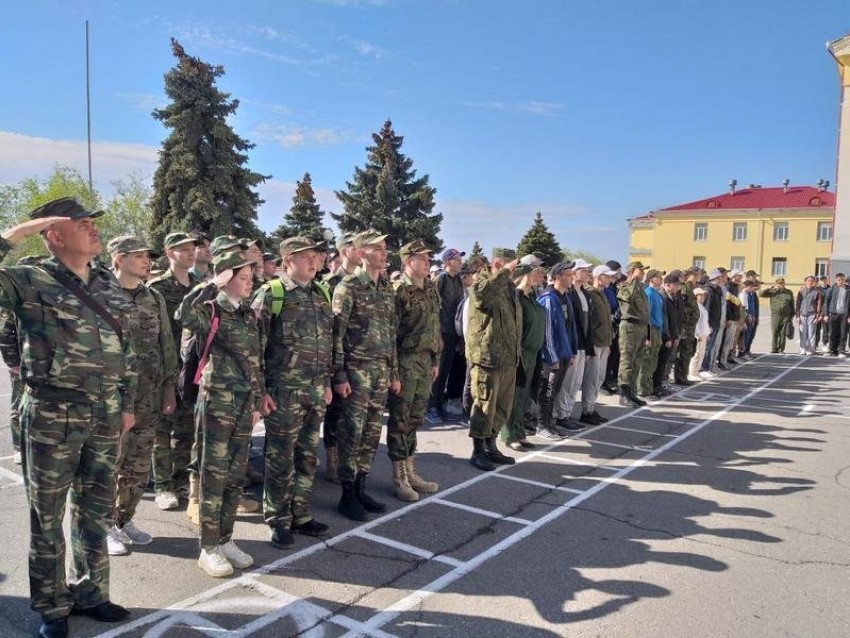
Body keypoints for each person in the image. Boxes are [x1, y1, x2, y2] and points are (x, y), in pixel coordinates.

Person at [0, 197, 137, 638]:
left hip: (104, 414)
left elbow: (126, 351)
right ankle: (52, 607)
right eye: (80, 224)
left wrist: (127, 405)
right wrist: (19, 232)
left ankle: (92, 593)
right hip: (50, 414)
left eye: (92, 222)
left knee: (94, 512)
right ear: (55, 235)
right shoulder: (29, 280)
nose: (93, 229)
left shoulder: (107, 284)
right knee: (48, 518)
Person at [182, 251, 263, 578]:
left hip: (244, 403)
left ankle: (226, 538)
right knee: (213, 475)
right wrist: (211, 284)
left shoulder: (246, 314)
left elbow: (255, 360)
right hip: (216, 401)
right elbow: (182, 313)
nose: (251, 283)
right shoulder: (210, 309)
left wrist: (257, 400)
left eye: (251, 278)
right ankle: (208, 547)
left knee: (234, 475)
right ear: (228, 279)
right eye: (244, 278)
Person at [252, 237, 334, 549]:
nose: (313, 261)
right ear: (288, 260)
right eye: (305, 257)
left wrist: (326, 382)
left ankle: (300, 513)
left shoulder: (321, 293)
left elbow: (325, 344)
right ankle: (278, 519)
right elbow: (255, 348)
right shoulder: (272, 294)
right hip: (283, 392)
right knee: (280, 458)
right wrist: (260, 391)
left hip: (314, 392)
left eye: (315, 256)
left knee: (308, 456)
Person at [106, 237, 177, 557]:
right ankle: (104, 527)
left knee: (137, 466)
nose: (148, 261)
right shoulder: (101, 294)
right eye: (139, 256)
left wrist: (168, 386)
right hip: (112, 396)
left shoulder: (153, 296)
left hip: (148, 394)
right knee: (109, 464)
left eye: (148, 256)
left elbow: (166, 344)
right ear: (119, 259)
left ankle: (123, 521)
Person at [331, 230, 399, 520]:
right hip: (356, 372)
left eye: (384, 248)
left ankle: (361, 487)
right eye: (377, 248)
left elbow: (391, 333)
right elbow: (336, 336)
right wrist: (339, 376)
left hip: (380, 371)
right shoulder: (348, 287)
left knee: (371, 432)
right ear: (361, 253)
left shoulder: (385, 287)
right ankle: (347, 493)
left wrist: (394, 372)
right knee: (351, 432)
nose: (384, 252)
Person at [148, 231, 200, 511]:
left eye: (193, 248)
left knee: (186, 430)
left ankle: (181, 480)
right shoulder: (156, 288)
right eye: (183, 249)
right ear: (169, 253)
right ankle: (163, 486)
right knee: (162, 430)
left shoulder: (200, 285)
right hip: (167, 369)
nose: (191, 252)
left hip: (191, 370)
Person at [387, 241, 442, 500]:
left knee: (415, 417)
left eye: (428, 258)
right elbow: (391, 335)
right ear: (408, 261)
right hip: (405, 362)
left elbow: (435, 325)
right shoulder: (399, 290)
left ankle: (411, 471)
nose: (427, 262)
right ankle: (399, 477)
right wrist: (394, 372)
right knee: (400, 419)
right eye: (422, 258)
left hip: (424, 361)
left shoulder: (430, 287)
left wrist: (435, 360)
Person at [465, 248, 521, 471]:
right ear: (498, 265)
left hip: (507, 357)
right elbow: (481, 297)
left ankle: (491, 446)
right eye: (511, 267)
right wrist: (503, 274)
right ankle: (477, 451)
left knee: (501, 408)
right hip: (487, 358)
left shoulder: (507, 287)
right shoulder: (483, 282)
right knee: (484, 406)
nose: (513, 272)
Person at [321, 232, 362, 484]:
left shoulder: (362, 281)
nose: (361, 252)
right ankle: (332, 460)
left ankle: (349, 460)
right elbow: (330, 329)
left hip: (360, 361)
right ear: (345, 251)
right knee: (335, 413)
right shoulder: (330, 283)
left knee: (353, 416)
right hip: (338, 359)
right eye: (356, 247)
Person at [502, 263, 546, 450]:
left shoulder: (531, 296)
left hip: (533, 352)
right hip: (520, 352)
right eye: (532, 272)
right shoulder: (517, 296)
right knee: (514, 395)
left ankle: (519, 431)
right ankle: (509, 434)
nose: (537, 275)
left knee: (524, 396)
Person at [536, 262, 576, 440]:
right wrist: (552, 357)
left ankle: (550, 424)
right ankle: (542, 426)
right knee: (547, 391)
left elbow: (570, 327)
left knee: (555, 391)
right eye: (568, 274)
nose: (571, 277)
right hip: (551, 357)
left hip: (564, 354)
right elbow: (547, 332)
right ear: (558, 277)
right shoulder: (548, 298)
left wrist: (571, 352)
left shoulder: (565, 297)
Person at [428, 247, 465, 424]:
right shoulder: (440, 279)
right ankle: (431, 407)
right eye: (457, 259)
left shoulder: (458, 280)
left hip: (453, 332)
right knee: (437, 371)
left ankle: (439, 404)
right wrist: (436, 334)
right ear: (448, 261)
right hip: (441, 331)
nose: (460, 262)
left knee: (446, 371)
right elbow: (433, 308)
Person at [580, 264, 616, 424]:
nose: (610, 279)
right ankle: (587, 411)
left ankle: (591, 408)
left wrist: (608, 343)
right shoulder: (590, 293)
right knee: (592, 379)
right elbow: (590, 322)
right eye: (607, 276)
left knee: (599, 377)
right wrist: (591, 344)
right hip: (595, 343)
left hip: (604, 343)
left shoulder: (601, 294)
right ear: (599, 277)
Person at [617, 261, 649, 407]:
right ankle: (623, 394)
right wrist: (634, 279)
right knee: (627, 361)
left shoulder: (640, 288)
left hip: (641, 327)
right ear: (631, 271)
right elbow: (627, 297)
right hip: (629, 326)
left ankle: (632, 393)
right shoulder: (625, 286)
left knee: (637, 361)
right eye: (640, 271)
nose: (642, 274)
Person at [653, 271, 681, 397]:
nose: (677, 288)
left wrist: (676, 335)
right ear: (668, 285)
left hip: (672, 335)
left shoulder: (673, 298)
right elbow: (664, 319)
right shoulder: (663, 297)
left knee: (665, 362)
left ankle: (661, 383)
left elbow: (675, 319)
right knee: (660, 362)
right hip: (665, 336)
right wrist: (667, 336)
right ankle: (656, 385)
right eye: (676, 285)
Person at [636, 269, 664, 398]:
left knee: (653, 360)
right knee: (646, 360)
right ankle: (642, 390)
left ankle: (649, 387)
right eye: (659, 277)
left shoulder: (658, 294)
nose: (661, 279)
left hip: (657, 330)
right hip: (651, 329)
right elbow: (647, 316)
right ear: (652, 279)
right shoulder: (649, 293)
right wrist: (647, 336)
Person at [0, 308, 22, 464]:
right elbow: (5, 332)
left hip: (42, 365)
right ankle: (18, 448)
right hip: (22, 364)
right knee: (18, 406)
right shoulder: (15, 296)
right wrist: (13, 363)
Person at [674, 267, 700, 385]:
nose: (698, 277)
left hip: (690, 327)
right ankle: (680, 377)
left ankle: (683, 376)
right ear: (691, 275)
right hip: (685, 327)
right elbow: (681, 307)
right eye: (696, 275)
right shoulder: (684, 288)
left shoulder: (690, 288)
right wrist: (688, 317)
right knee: (683, 352)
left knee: (688, 351)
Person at [601, 260, 622, 394]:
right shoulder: (606, 289)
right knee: (606, 358)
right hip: (608, 325)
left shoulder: (613, 287)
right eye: (618, 270)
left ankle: (607, 380)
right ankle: (602, 383)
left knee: (613, 355)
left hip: (614, 326)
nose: (619, 273)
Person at [760, 278, 796, 353]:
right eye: (779, 283)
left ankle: (781, 349)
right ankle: (774, 348)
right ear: (776, 284)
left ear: (784, 283)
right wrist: (770, 288)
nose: (781, 285)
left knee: (783, 333)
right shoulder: (773, 291)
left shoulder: (789, 292)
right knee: (775, 331)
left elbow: (792, 304)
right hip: (775, 315)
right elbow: (761, 294)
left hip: (786, 315)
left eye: (782, 283)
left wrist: (791, 316)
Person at [701, 269, 726, 372]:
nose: (723, 279)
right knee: (706, 347)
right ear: (716, 278)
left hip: (716, 322)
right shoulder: (709, 290)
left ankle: (707, 367)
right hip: (709, 324)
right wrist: (707, 324)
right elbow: (706, 308)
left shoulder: (718, 290)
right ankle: (703, 368)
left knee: (710, 347)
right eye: (721, 277)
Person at [824, 273, 850, 356]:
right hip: (833, 314)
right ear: (836, 280)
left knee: (843, 333)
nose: (841, 281)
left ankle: (841, 351)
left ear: (844, 280)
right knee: (832, 333)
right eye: (839, 280)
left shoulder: (848, 289)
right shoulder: (832, 289)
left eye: (842, 280)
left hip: (844, 315)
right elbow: (826, 302)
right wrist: (826, 314)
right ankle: (832, 350)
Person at [796, 275, 823, 355]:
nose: (810, 282)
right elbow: (798, 303)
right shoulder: (801, 291)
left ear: (814, 282)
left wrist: (817, 316)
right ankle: (803, 349)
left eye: (812, 281)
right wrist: (797, 316)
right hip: (802, 314)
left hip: (812, 315)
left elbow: (819, 304)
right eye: (808, 281)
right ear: (805, 282)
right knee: (802, 333)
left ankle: (810, 349)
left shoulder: (817, 292)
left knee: (811, 333)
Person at [692, 287, 712, 380]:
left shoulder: (701, 307)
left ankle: (697, 371)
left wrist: (707, 333)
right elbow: (695, 323)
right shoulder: (695, 307)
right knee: (697, 353)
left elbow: (705, 322)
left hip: (703, 334)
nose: (703, 297)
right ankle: (692, 372)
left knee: (701, 354)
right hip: (699, 335)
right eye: (701, 295)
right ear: (696, 296)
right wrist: (697, 334)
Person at [815, 275, 831, 350]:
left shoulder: (830, 289)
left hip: (826, 313)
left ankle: (825, 344)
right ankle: (816, 344)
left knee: (826, 329)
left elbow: (830, 302)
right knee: (816, 329)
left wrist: (825, 314)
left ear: (827, 281)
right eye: (822, 280)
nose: (823, 281)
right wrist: (818, 313)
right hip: (817, 312)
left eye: (825, 280)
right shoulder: (816, 289)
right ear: (820, 281)